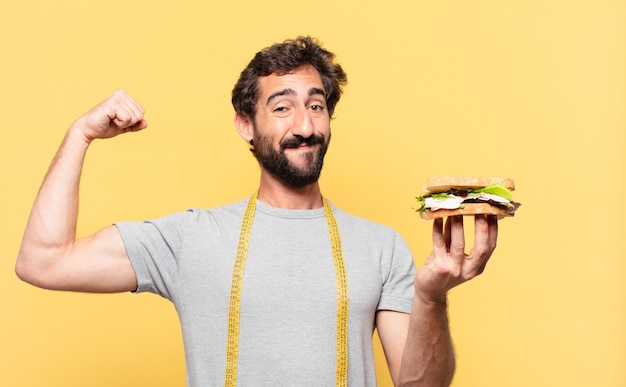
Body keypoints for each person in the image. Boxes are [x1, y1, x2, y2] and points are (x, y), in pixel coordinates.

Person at [16, 36, 498, 386]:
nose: (306, 125)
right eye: (283, 108)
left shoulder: (381, 246)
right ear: (246, 125)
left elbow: (421, 386)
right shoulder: (191, 240)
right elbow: (43, 261)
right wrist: (80, 134)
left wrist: (431, 297)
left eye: (317, 106)